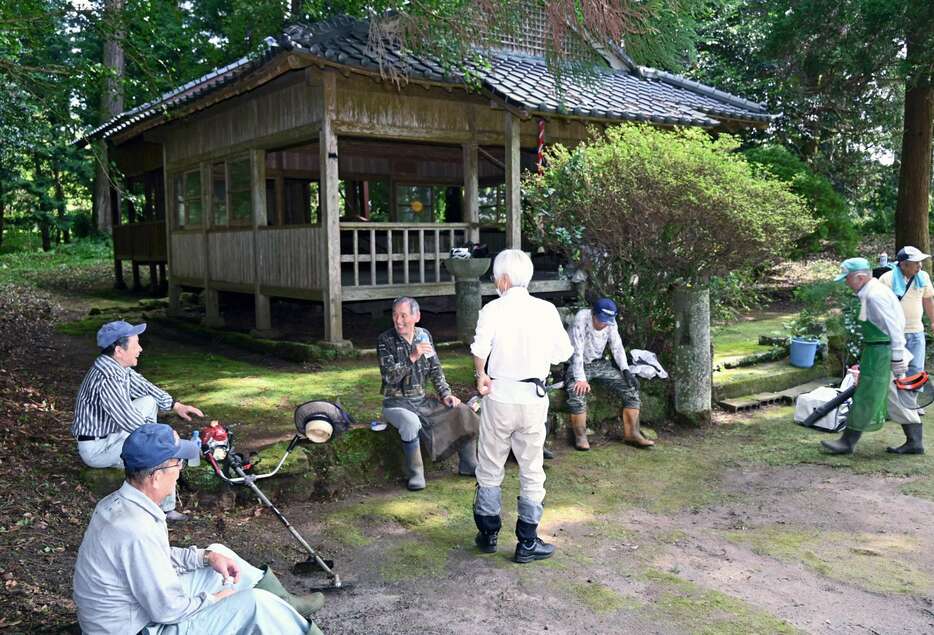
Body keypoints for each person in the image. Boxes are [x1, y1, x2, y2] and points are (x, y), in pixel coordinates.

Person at [73, 423, 325, 635]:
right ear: (157, 476)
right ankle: (289, 619)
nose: (180, 469)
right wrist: (216, 601)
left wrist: (206, 557)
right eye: (177, 463)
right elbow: (167, 610)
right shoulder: (136, 527)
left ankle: (284, 604)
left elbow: (154, 558)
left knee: (216, 554)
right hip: (136, 629)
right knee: (253, 604)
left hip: (133, 613)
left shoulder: (120, 504)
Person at [470, 249, 574, 564]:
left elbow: (479, 348)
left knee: (489, 467)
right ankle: (527, 543)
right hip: (532, 398)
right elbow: (563, 353)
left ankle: (488, 535)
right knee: (532, 470)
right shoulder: (545, 310)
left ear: (503, 279)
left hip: (499, 395)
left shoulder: (492, 309)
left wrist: (481, 375)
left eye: (494, 278)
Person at [70, 320, 203, 521]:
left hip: (111, 435)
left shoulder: (116, 367)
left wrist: (175, 405)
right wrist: (163, 439)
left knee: (149, 401)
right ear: (119, 350)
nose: (140, 349)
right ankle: (164, 509)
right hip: (99, 449)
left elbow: (146, 388)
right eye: (136, 344)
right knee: (158, 454)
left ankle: (154, 455)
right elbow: (129, 420)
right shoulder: (107, 379)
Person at [821, 258, 921, 455]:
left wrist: (898, 357)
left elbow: (894, 326)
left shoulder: (874, 295)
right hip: (880, 350)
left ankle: (847, 442)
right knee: (895, 397)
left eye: (847, 279)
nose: (846, 283)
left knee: (866, 394)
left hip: (883, 353)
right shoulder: (871, 291)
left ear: (860, 277)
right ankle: (915, 441)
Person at [378, 297, 480, 491]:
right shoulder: (385, 340)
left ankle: (469, 464)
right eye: (395, 315)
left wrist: (445, 394)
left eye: (403, 315)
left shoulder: (424, 335)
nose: (398, 320)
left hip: (422, 401)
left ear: (416, 316)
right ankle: (416, 474)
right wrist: (412, 357)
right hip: (396, 403)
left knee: (462, 411)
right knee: (410, 423)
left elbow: (435, 369)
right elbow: (389, 378)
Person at [564, 298, 654, 450]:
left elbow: (617, 346)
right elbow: (577, 350)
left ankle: (632, 433)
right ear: (593, 314)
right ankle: (580, 436)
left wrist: (625, 370)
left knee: (630, 387)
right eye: (601, 320)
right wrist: (580, 378)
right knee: (576, 391)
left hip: (599, 363)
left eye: (607, 321)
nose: (604, 324)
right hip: (577, 364)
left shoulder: (610, 322)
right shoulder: (582, 318)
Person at [878, 246, 931, 453]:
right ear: (903, 264)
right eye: (916, 262)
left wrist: (933, 322)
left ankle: (911, 410)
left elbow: (928, 299)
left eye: (920, 262)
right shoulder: (888, 280)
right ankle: (905, 415)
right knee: (895, 376)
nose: (920, 265)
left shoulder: (923, 277)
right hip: (895, 335)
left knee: (915, 372)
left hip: (916, 332)